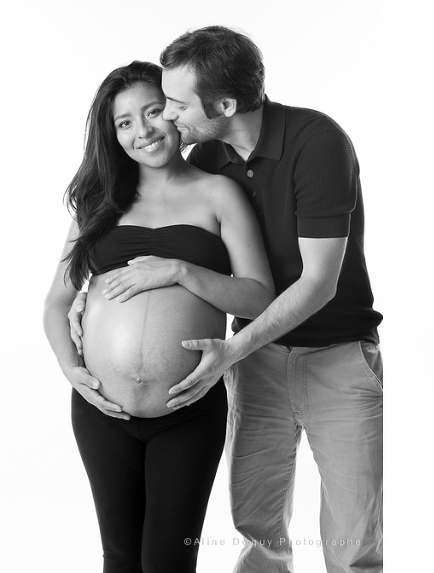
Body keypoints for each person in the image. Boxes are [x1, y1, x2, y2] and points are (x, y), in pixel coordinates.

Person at [70, 27, 383, 573]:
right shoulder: (211, 154)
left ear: (225, 104)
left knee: (351, 542)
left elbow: (317, 284)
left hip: (334, 352)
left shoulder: (317, 142)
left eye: (174, 103)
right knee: (258, 530)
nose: (166, 115)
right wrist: (91, 302)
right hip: (258, 360)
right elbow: (167, 219)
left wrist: (227, 346)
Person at [43, 61, 274, 572]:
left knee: (168, 563)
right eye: (124, 122)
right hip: (102, 411)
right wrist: (70, 370)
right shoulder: (98, 201)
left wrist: (181, 271)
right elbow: (57, 302)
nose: (142, 131)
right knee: (120, 559)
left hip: (188, 410)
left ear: (175, 111)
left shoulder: (219, 193)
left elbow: (260, 298)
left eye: (153, 112)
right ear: (112, 133)